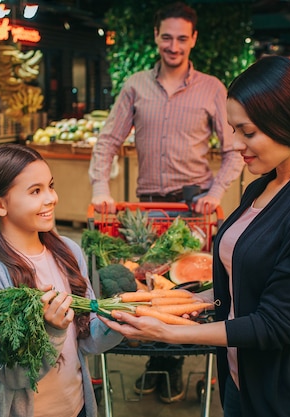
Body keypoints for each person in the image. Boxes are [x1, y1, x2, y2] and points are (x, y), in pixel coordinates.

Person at [100, 55, 290, 417]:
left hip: (288, 397)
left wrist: (170, 333)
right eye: (234, 130)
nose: (236, 144)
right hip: (241, 380)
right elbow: (242, 283)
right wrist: (177, 302)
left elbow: (276, 324)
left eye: (248, 132)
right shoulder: (264, 186)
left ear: (289, 121)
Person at [88, 2, 244, 403]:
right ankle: (157, 361)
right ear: (156, 37)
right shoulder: (136, 85)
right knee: (146, 287)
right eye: (166, 37)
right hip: (147, 208)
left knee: (183, 293)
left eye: (182, 38)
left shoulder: (211, 88)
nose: (173, 45)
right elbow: (108, 140)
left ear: (193, 40)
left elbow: (234, 149)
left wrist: (215, 193)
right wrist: (100, 189)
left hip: (193, 210)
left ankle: (169, 366)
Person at [0, 144, 123, 417]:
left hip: (79, 406)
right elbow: (8, 376)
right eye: (36, 191)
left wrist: (119, 320)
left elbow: (87, 340)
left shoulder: (68, 252)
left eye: (50, 186)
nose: (51, 198)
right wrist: (52, 332)